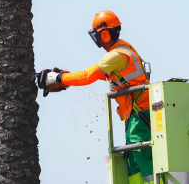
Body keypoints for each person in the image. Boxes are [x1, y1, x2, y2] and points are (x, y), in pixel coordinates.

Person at [46, 10, 154, 184]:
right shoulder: (125, 48)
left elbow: (88, 76)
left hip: (140, 115)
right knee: (134, 164)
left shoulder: (116, 55)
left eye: (97, 34)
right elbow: (108, 76)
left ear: (104, 34)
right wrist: (67, 77)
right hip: (136, 115)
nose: (96, 38)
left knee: (144, 160)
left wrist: (57, 78)